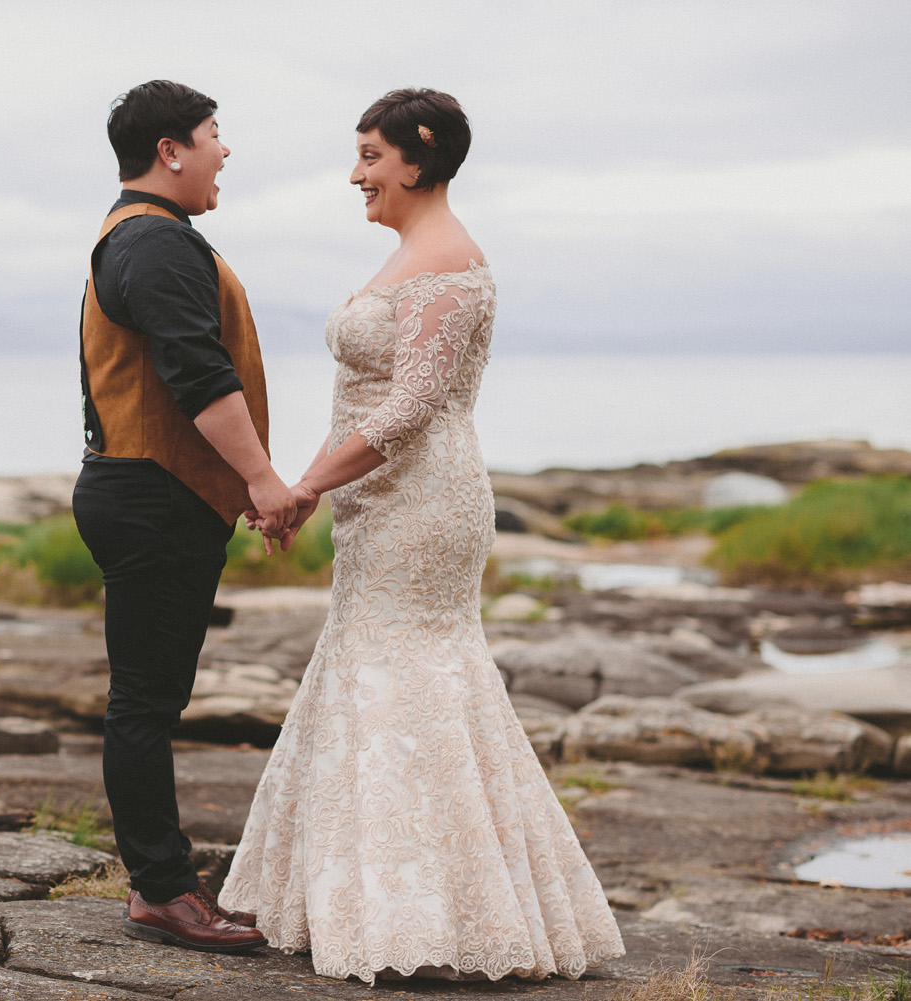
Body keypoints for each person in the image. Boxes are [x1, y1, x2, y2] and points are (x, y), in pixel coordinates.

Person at [220, 88, 626, 983]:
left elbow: (410, 408)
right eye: (359, 156)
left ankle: (432, 913)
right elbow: (364, 404)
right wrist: (309, 493)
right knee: (369, 669)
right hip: (375, 501)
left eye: (370, 156)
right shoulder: (409, 254)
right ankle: (370, 897)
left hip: (425, 504)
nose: (357, 173)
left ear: (420, 155)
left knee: (412, 676)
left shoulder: (450, 262)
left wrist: (302, 487)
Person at [72, 80, 293, 953]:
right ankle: (162, 890)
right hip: (151, 495)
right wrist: (264, 483)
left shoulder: (143, 237)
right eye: (212, 134)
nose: (223, 150)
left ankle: (162, 882)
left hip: (148, 490)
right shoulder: (154, 244)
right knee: (146, 702)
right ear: (171, 149)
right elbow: (200, 377)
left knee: (150, 696)